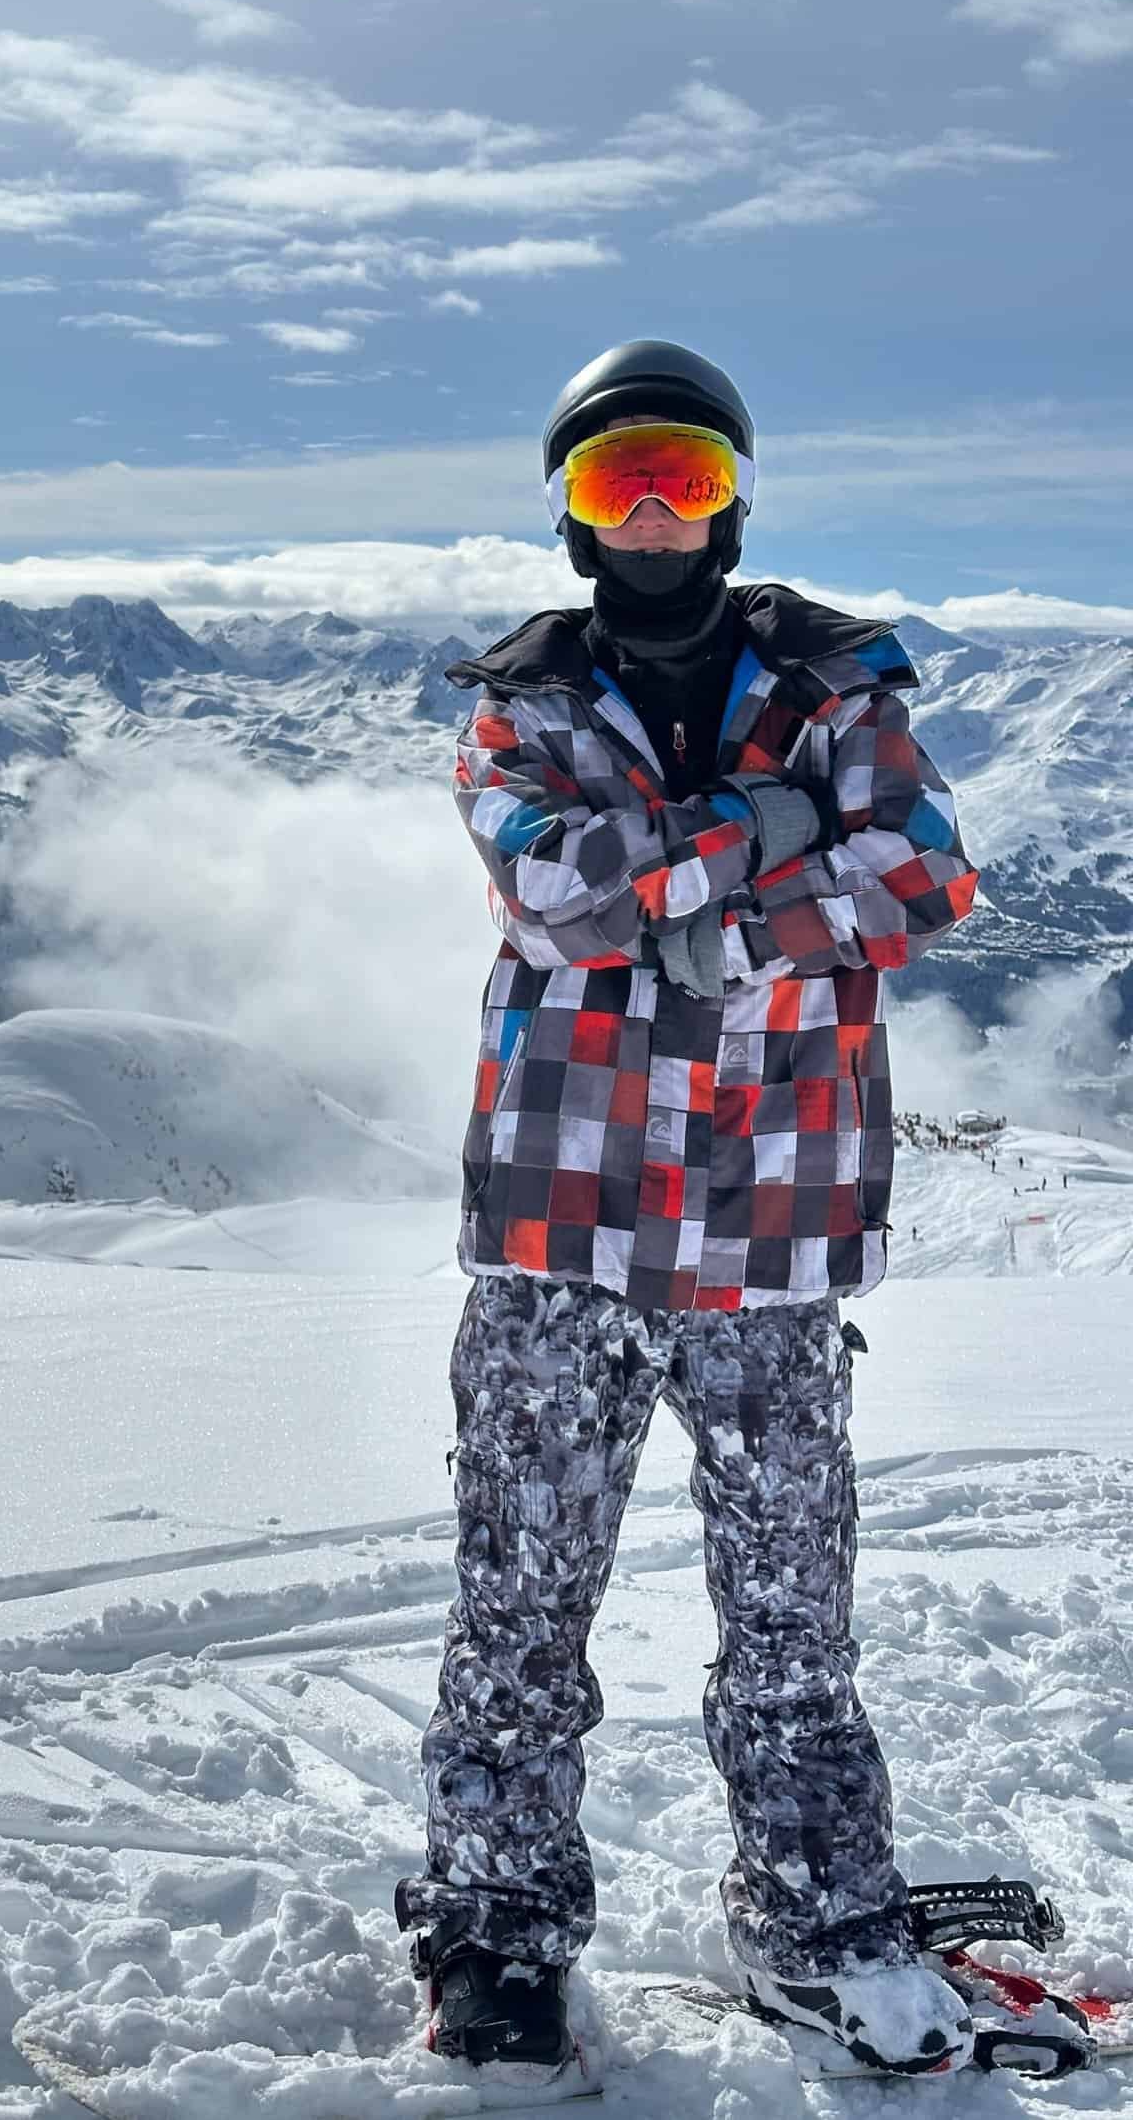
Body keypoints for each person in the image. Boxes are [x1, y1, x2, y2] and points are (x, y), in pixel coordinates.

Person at [393, 340, 980, 2080]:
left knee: (795, 1613)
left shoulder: (837, 684)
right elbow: (554, 891)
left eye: (686, 478)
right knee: (520, 1604)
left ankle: (819, 1918)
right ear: (569, 513)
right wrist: (772, 832)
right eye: (615, 480)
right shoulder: (517, 702)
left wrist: (696, 907)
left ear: (735, 502)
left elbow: (924, 875)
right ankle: (497, 1934)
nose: (653, 515)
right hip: (563, 1227)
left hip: (773, 1229)